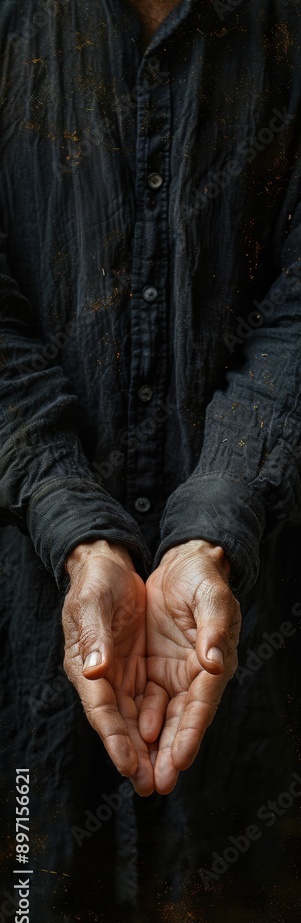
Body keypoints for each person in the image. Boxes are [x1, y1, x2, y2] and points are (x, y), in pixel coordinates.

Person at [0, 0, 301, 806]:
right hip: (21, 641)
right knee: (31, 917)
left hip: (265, 647)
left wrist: (213, 528)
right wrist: (76, 528)